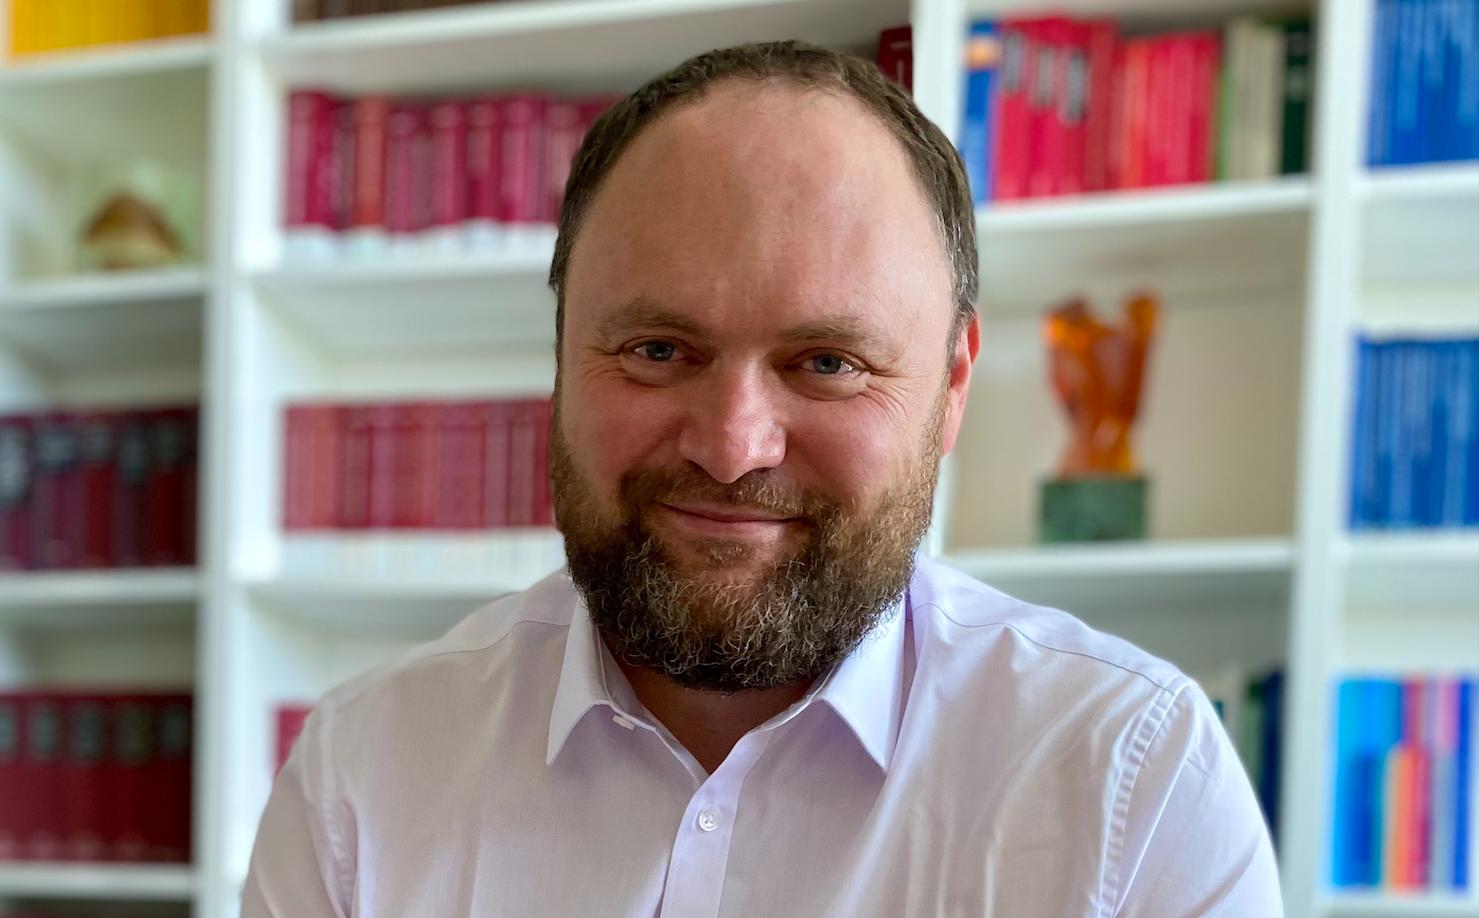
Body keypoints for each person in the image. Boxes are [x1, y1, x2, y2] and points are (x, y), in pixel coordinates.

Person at [242, 41, 1283, 917]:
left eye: (826, 362)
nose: (732, 447)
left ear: (952, 386)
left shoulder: (1132, 784)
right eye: (657, 350)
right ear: (560, 356)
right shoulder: (363, 777)